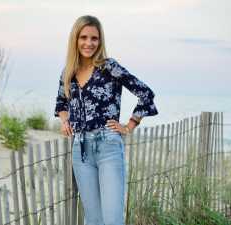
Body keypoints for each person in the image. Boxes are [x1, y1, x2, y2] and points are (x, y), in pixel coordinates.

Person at [54, 15, 158, 225]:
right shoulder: (68, 73)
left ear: (100, 41)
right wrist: (64, 121)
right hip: (80, 151)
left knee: (112, 219)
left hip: (108, 147)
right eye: (83, 37)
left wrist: (129, 125)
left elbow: (145, 93)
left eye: (94, 38)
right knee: (93, 220)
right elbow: (60, 104)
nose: (89, 43)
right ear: (75, 39)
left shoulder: (109, 67)